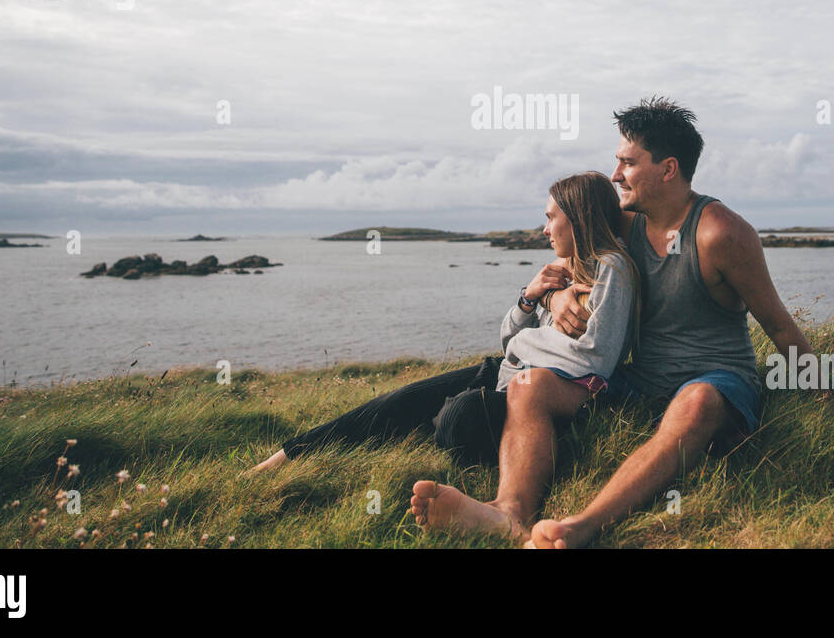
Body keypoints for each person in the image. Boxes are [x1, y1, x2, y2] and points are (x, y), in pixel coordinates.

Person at [414, 96, 834, 548]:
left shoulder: (720, 233)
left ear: (668, 169)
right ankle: (510, 512)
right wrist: (558, 295)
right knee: (528, 384)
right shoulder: (625, 226)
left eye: (627, 162)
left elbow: (778, 325)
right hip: (638, 382)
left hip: (715, 379)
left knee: (697, 401)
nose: (616, 174)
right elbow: (573, 254)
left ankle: (578, 528)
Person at [246, 171, 638, 476]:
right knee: (398, 401)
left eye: (552, 218)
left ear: (579, 218)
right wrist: (530, 297)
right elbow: (508, 340)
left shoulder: (612, 268)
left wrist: (525, 343)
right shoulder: (560, 271)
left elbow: (595, 356)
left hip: (536, 395)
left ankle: (426, 426)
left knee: (459, 415)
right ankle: (287, 455)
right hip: (503, 372)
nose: (544, 229)